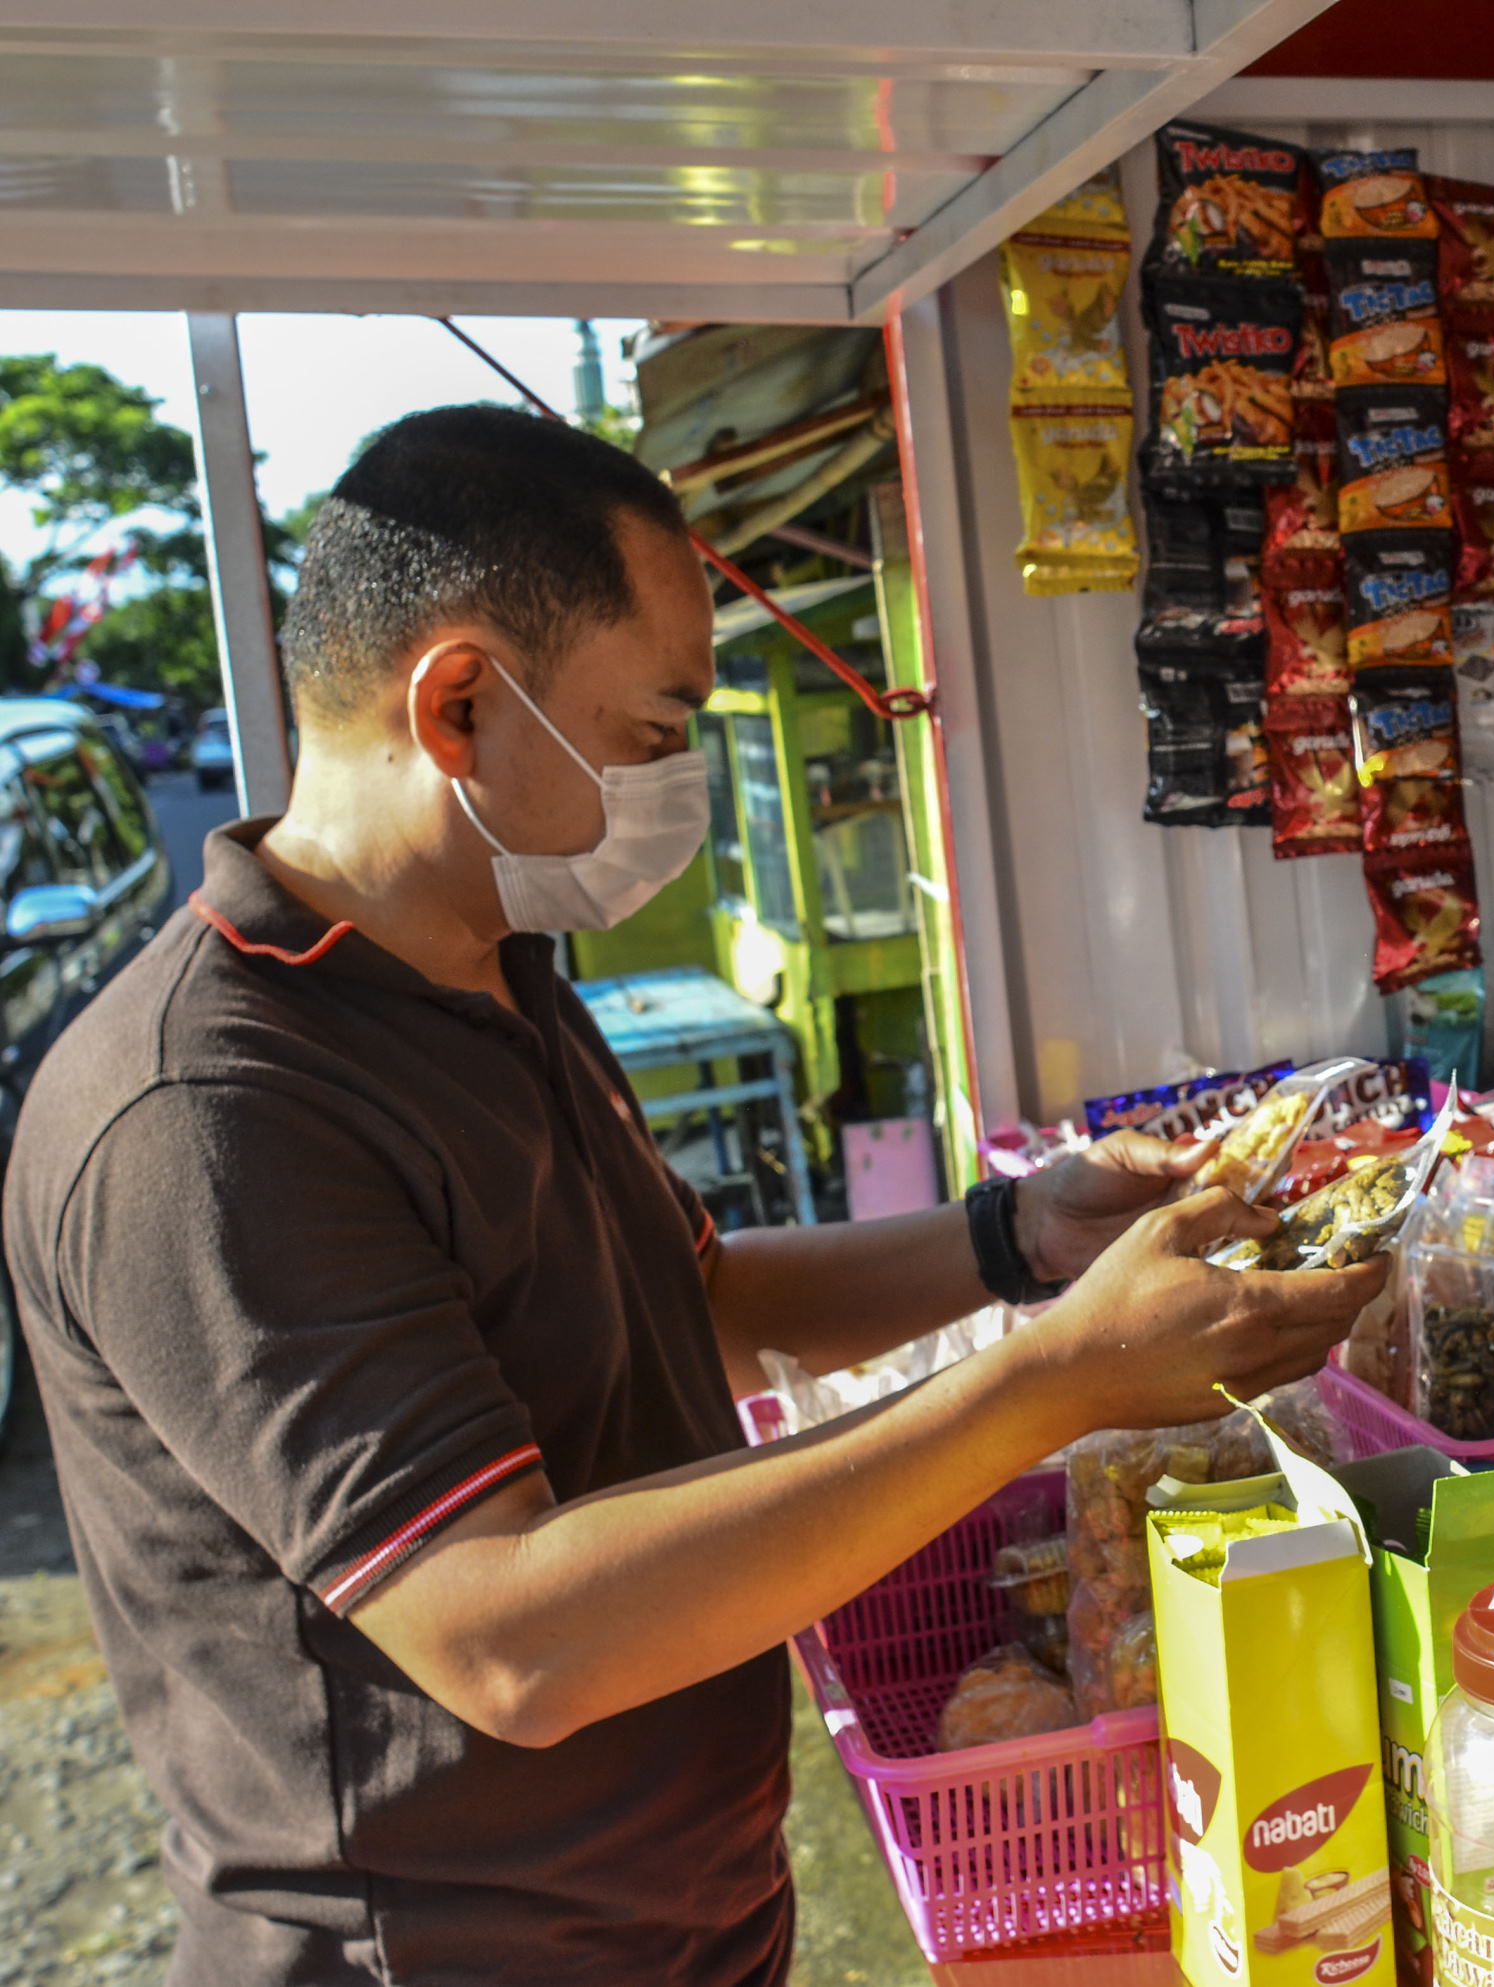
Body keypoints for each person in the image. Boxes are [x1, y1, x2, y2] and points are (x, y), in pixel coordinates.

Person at [1, 407, 1386, 1985]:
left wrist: (1016, 1235)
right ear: (458, 702)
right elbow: (509, 1633)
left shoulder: (495, 968)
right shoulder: (210, 1109)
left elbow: (693, 1296)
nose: (678, 781)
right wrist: (1056, 1380)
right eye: (655, 728)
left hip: (689, 1926)